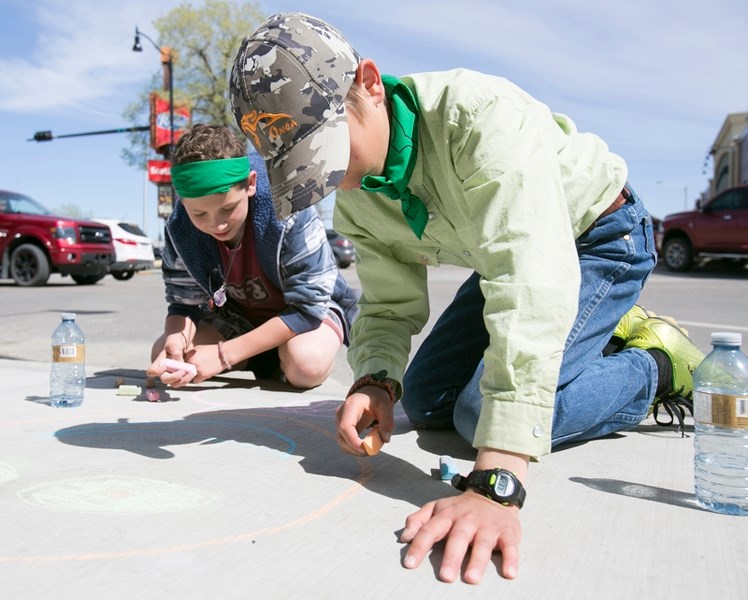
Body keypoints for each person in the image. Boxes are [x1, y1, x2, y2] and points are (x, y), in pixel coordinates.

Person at [229, 13, 704, 584]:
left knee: (481, 414)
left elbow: (529, 281)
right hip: (503, 257)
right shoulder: (356, 193)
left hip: (596, 240)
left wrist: (497, 480)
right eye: (305, 169)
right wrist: (375, 380)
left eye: (328, 150)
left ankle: (654, 365)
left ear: (371, 85)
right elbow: (387, 303)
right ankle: (596, 334)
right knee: (426, 400)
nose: (332, 178)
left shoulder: (479, 120)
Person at [147, 123, 358, 389]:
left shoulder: (288, 208)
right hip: (239, 320)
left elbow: (308, 307)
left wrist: (224, 356)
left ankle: (277, 356)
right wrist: (175, 342)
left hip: (303, 315)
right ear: (183, 201)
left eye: (228, 208)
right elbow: (183, 304)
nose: (218, 225)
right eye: (199, 214)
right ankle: (259, 358)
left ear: (250, 184)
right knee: (165, 357)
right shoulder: (181, 228)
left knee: (307, 365)